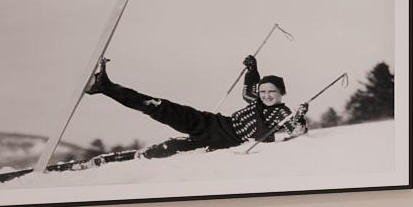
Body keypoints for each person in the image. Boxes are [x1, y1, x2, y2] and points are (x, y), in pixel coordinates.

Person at [86, 54, 307, 158]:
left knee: (168, 150)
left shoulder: (282, 113)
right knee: (160, 106)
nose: (267, 95)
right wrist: (252, 68)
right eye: (264, 91)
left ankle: (134, 158)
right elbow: (250, 87)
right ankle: (105, 86)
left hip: (224, 139)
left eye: (272, 92)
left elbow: (295, 131)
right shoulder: (255, 99)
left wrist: (300, 116)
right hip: (212, 122)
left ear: (281, 94)